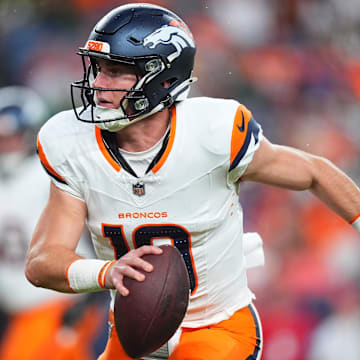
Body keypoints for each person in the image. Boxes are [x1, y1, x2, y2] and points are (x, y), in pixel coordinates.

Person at [25, 3, 360, 360]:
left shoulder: (213, 133)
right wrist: (106, 272)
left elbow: (314, 172)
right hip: (134, 332)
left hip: (217, 326)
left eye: (115, 72)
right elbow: (42, 262)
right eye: (97, 69)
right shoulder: (71, 143)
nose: (97, 84)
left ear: (162, 79)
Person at [0, 86, 105, 360]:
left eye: (11, 137)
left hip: (62, 303)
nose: (6, 146)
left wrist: (92, 297)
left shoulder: (47, 174)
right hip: (18, 313)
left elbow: (97, 229)